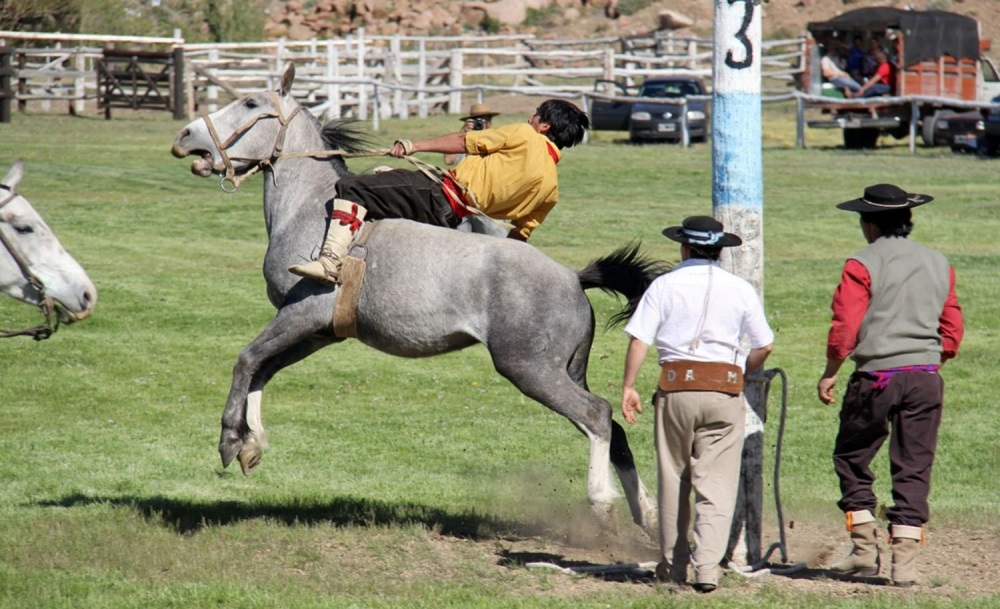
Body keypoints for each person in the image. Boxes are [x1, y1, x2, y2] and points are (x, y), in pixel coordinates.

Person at [817, 184, 964, 587]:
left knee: (851, 457)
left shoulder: (861, 263)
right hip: (925, 378)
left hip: (875, 377)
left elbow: (845, 326)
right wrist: (932, 360)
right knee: (914, 466)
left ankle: (864, 548)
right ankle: (905, 563)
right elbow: (952, 327)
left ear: (869, 224)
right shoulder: (939, 262)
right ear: (907, 220)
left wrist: (830, 371)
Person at [620, 216, 775, 593]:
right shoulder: (740, 289)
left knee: (674, 478)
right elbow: (764, 344)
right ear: (720, 250)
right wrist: (741, 372)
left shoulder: (664, 285)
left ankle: (674, 566)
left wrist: (628, 386)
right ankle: (707, 568)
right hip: (724, 392)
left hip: (674, 390)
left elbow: (640, 340)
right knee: (717, 484)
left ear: (684, 247)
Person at [288, 99, 590, 284]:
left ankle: (330, 261)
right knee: (384, 176)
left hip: (436, 195)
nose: (530, 118)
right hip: (450, 221)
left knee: (351, 187)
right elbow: (518, 239)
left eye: (536, 115)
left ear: (545, 126)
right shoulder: (551, 189)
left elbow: (464, 142)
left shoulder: (525, 135)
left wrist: (413, 145)